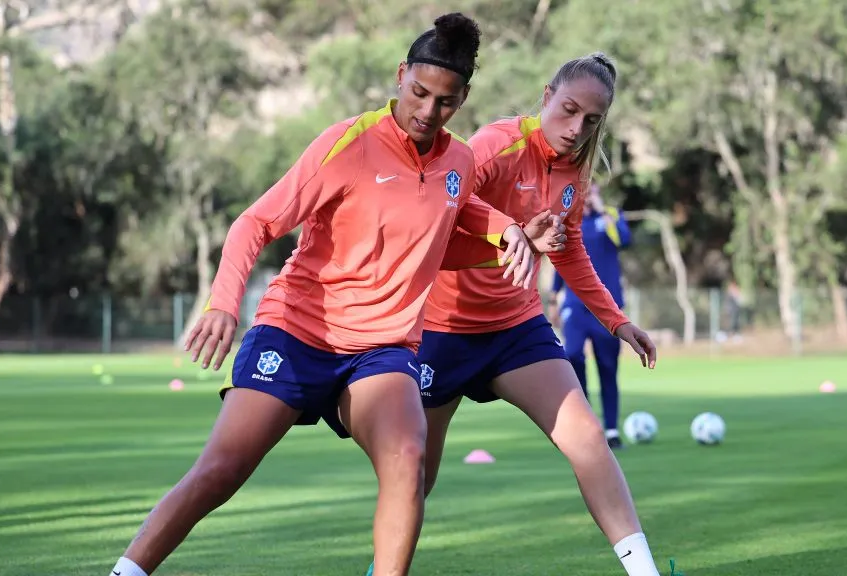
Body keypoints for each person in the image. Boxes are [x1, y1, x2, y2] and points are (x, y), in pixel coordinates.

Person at [105, 14, 559, 576]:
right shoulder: (349, 144)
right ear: (400, 75)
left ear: (463, 99)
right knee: (222, 470)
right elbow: (255, 223)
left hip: (381, 349)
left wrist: (510, 235)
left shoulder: (459, 161)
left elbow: (450, 227)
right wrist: (223, 303)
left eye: (445, 101)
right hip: (298, 332)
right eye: (419, 93)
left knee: (407, 457)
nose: (427, 111)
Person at [366, 52, 664, 576]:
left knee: (588, 439)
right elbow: (435, 229)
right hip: (443, 330)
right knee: (415, 475)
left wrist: (616, 320)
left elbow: (569, 250)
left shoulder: (575, 173)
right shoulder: (494, 146)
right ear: (547, 96)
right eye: (568, 110)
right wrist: (512, 238)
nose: (576, 129)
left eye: (591, 120)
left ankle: (646, 572)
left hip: (517, 329)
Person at [549, 181, 633, 449]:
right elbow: (561, 258)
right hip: (575, 305)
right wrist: (554, 296)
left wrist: (603, 211)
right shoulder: (568, 219)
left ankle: (611, 430)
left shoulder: (610, 216)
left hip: (607, 307)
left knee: (607, 366)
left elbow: (623, 240)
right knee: (572, 355)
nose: (586, 195)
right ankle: (586, 422)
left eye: (591, 190)